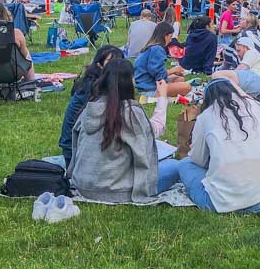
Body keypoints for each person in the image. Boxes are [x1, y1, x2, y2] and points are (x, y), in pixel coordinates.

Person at [171, 76, 260, 214]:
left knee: (185, 164)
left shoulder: (205, 116)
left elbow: (198, 160)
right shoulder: (258, 107)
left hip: (220, 204)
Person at [66, 59, 180, 202]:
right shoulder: (130, 112)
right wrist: (162, 97)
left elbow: (75, 146)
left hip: (82, 186)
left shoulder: (89, 109)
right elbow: (155, 131)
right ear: (128, 82)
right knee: (177, 165)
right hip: (118, 191)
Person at [60, 45, 122, 165]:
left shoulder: (98, 81)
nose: (116, 66)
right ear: (99, 64)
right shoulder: (94, 86)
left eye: (119, 61)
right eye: (111, 61)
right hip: (74, 149)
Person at [133, 21, 192, 96]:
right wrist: (173, 70)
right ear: (165, 36)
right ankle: (161, 95)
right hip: (150, 88)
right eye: (170, 37)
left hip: (146, 83)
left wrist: (172, 72)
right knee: (187, 86)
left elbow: (154, 71)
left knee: (179, 79)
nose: (170, 40)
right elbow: (159, 75)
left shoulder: (150, 47)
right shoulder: (157, 49)